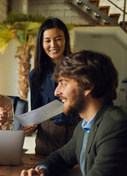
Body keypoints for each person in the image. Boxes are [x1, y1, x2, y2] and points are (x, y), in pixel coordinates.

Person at [19, 50, 127, 176]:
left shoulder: (117, 128)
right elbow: (62, 156)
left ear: (87, 86)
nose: (57, 92)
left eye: (63, 84)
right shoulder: (86, 124)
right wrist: (43, 169)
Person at [23, 18, 79, 155]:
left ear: (65, 39)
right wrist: (30, 126)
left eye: (58, 39)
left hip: (77, 131)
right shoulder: (35, 75)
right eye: (47, 40)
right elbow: (36, 110)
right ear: (41, 43)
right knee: (44, 172)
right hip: (47, 135)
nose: (53, 45)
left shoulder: (79, 67)